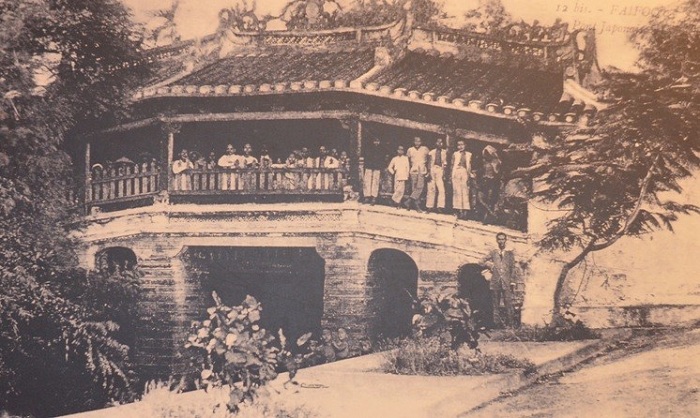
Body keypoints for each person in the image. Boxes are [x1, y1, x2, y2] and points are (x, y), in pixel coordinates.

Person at [480, 233, 518, 328]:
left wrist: (512, 281)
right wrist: (490, 265)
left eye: (503, 239)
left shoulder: (510, 254)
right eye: (499, 239)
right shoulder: (493, 253)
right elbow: (481, 261)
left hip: (506, 282)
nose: (501, 241)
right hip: (495, 282)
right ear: (497, 240)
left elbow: (513, 268)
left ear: (506, 240)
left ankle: (510, 325)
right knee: (495, 304)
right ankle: (495, 325)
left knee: (508, 304)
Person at [451, 139, 474, 219]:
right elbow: (452, 165)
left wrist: (470, 175)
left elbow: (470, 166)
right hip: (456, 171)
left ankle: (465, 211)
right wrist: (451, 175)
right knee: (457, 191)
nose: (460, 146)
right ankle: (458, 210)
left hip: (464, 172)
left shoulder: (469, 154)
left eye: (462, 145)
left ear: (465, 145)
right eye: (458, 145)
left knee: (465, 191)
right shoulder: (455, 154)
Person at [406, 136, 429, 212]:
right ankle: (416, 206)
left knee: (420, 187)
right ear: (413, 142)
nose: (417, 143)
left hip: (422, 170)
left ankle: (409, 200)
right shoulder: (410, 150)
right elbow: (407, 161)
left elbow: (429, 160)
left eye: (419, 141)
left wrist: (428, 170)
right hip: (414, 170)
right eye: (416, 141)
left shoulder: (425, 149)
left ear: (421, 142)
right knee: (414, 188)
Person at [426, 137, 448, 213]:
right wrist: (428, 172)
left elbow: (445, 163)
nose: (439, 143)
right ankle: (429, 206)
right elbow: (429, 163)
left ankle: (440, 206)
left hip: (440, 170)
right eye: (438, 142)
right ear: (435, 143)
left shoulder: (444, 152)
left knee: (441, 189)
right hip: (432, 169)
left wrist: (444, 173)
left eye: (441, 142)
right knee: (431, 188)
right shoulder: (431, 152)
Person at [481, 145, 502, 222]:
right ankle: (491, 213)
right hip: (485, 180)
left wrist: (494, 167)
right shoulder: (485, 161)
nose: (486, 155)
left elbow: (497, 173)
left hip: (492, 181)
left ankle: (487, 217)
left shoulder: (496, 162)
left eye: (487, 154)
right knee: (481, 198)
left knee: (490, 200)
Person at [363, 137, 385, 205]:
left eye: (377, 141)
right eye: (375, 141)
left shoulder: (381, 150)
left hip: (377, 167)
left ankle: (374, 197)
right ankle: (367, 196)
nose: (376, 143)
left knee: (375, 182)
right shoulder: (368, 148)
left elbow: (382, 160)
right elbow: (366, 157)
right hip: (369, 166)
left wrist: (380, 167)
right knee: (367, 182)